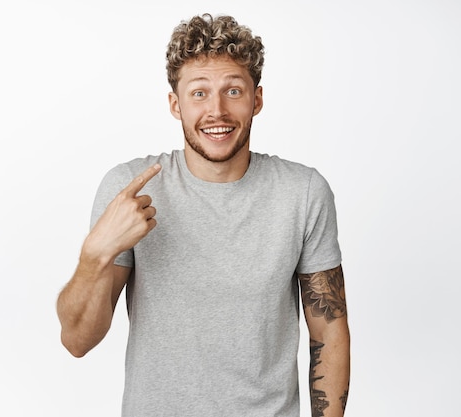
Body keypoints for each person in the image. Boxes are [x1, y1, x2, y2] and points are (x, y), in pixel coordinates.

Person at [57, 13, 350, 417]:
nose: (217, 110)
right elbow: (77, 341)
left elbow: (329, 332)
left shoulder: (302, 193)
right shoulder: (130, 190)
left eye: (233, 90)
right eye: (199, 93)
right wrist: (95, 255)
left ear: (257, 100)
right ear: (175, 105)